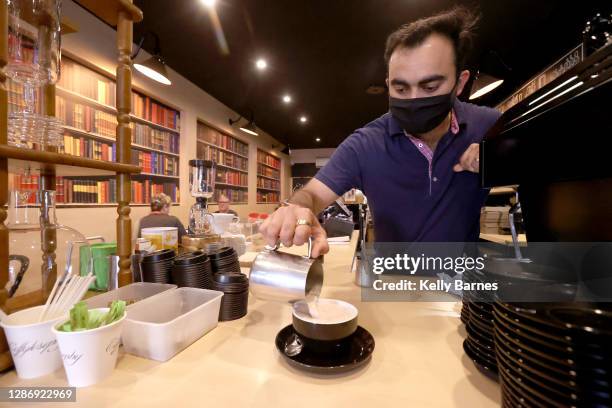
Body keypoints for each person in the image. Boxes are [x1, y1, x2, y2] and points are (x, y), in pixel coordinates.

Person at [261, 7, 501, 258]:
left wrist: (500, 157)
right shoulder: (365, 144)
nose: (415, 99)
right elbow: (312, 193)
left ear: (460, 83)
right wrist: (294, 209)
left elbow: (541, 159)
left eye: (430, 86)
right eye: (401, 88)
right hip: (394, 288)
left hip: (465, 287)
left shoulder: (488, 126)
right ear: (388, 86)